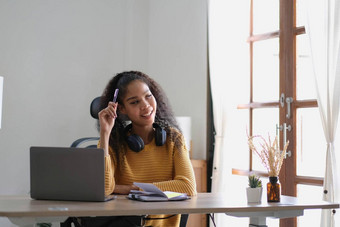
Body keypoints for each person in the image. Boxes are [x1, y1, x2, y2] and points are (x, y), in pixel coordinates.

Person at [97, 71, 197, 227]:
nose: (145, 105)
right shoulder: (112, 143)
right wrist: (105, 133)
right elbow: (103, 190)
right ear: (122, 109)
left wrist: (130, 188)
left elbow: (188, 187)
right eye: (134, 102)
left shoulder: (173, 138)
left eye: (148, 96)